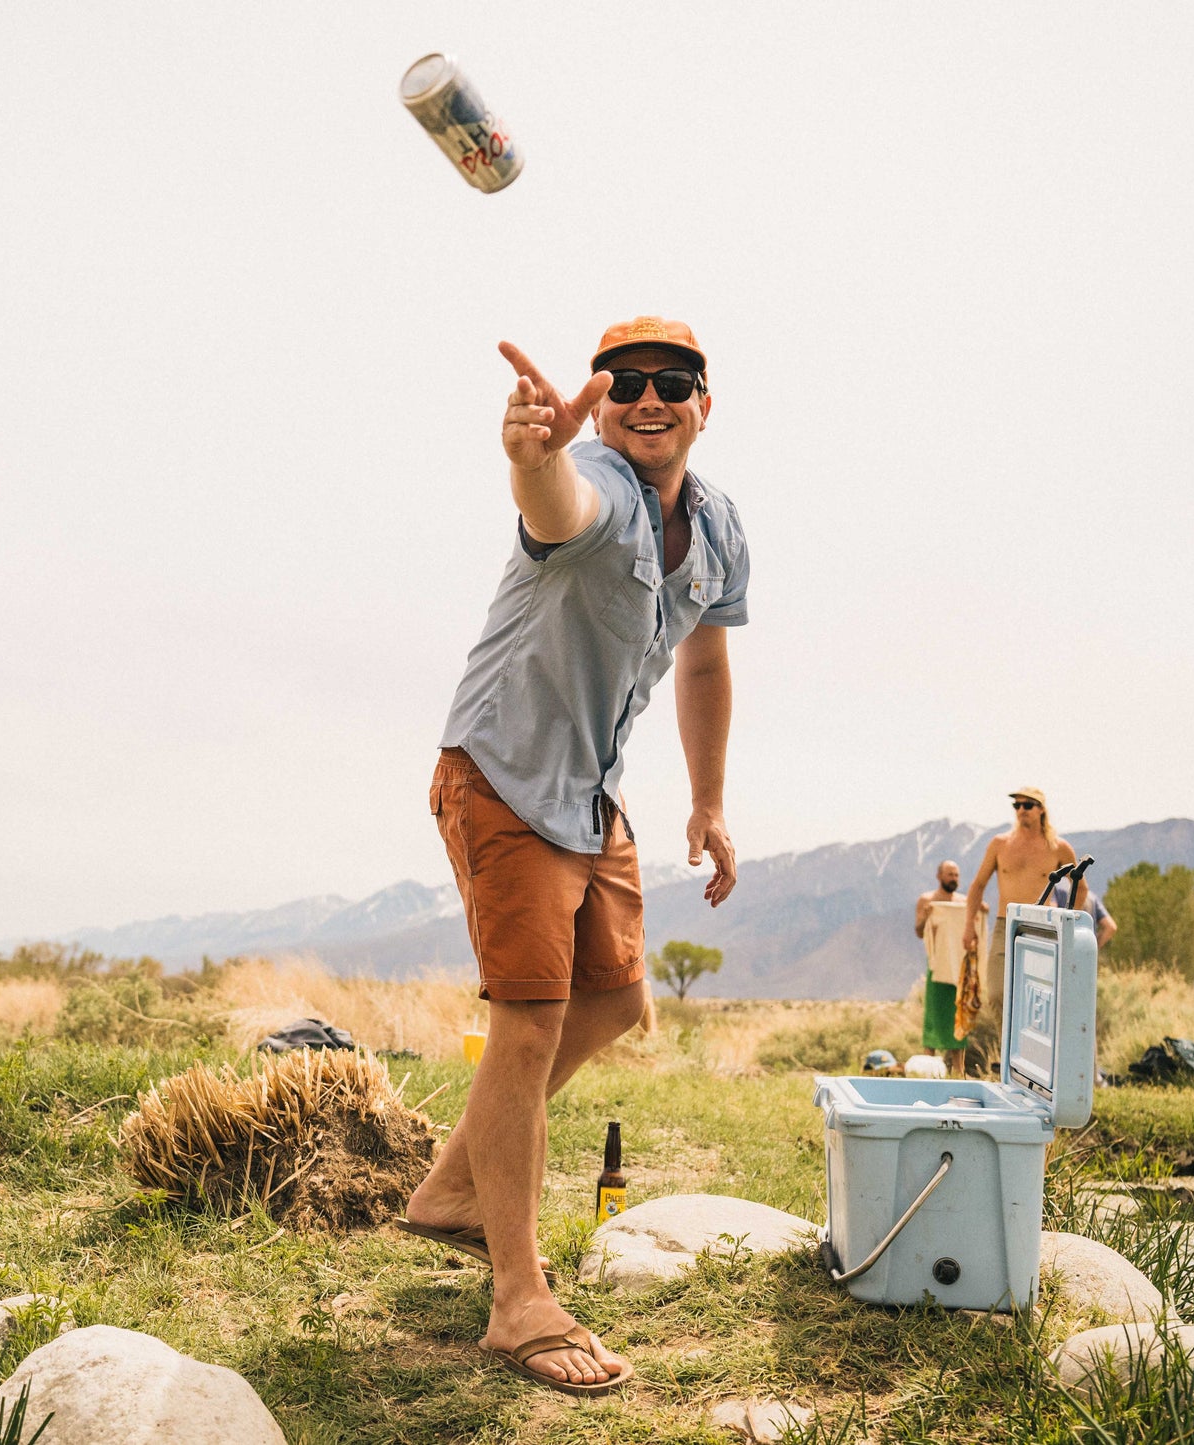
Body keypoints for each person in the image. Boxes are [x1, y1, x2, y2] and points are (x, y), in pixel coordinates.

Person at [405, 316, 749, 1395]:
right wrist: (531, 454)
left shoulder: (720, 525)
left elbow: (700, 664)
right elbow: (558, 509)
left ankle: (457, 1184)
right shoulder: (585, 475)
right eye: (628, 384)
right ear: (601, 406)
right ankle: (517, 1297)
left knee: (613, 999)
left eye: (673, 383)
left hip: (588, 792)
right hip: (503, 772)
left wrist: (706, 801)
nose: (650, 400)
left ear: (706, 402)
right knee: (529, 1023)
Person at [962, 789, 1078, 1056]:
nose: (1021, 809)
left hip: (1042, 927)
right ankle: (1009, 1056)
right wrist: (969, 925)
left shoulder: (1059, 848)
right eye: (1017, 805)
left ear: (1041, 810)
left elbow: (1079, 887)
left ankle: (1034, 1059)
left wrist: (1069, 919)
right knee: (998, 994)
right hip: (1006, 925)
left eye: (1028, 804)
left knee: (1038, 997)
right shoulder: (999, 844)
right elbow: (978, 885)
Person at [914, 861, 987, 1076]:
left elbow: (979, 920)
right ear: (939, 876)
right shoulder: (927, 900)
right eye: (950, 875)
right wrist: (925, 916)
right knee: (934, 1015)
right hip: (938, 965)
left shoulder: (965, 902)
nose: (954, 878)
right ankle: (928, 1067)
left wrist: (981, 910)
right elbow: (919, 931)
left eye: (956, 874)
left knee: (959, 1014)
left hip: (959, 967)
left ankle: (959, 1069)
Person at [1051, 877, 1118, 949]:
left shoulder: (1054, 889)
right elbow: (1111, 927)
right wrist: (1093, 949)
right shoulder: (1091, 896)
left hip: (1063, 952)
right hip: (1086, 952)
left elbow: (1050, 916)